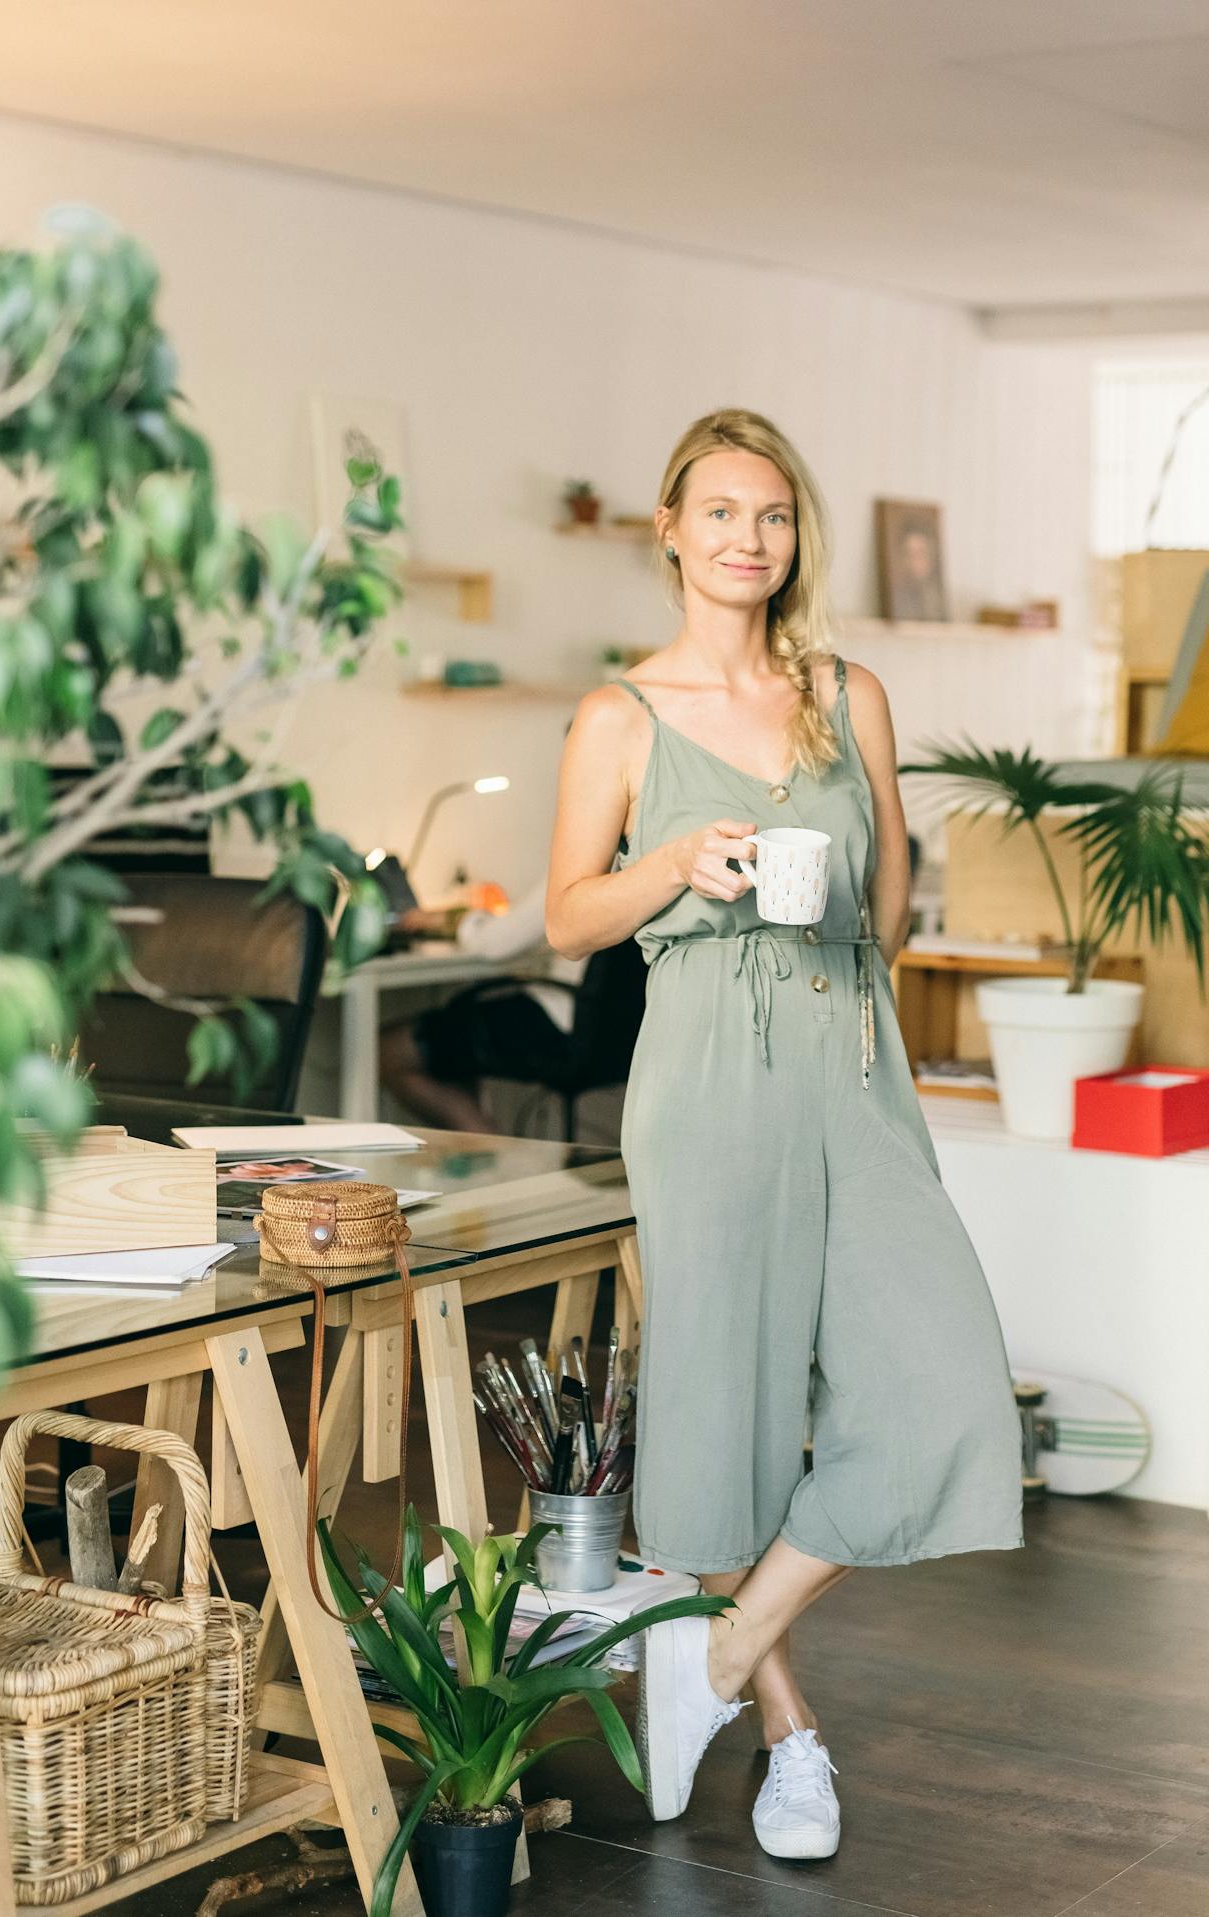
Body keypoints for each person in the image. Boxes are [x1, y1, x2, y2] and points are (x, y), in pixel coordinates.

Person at [545, 408, 1023, 1862]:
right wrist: (675, 865)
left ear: (791, 537)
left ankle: (711, 1650)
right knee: (721, 1414)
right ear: (672, 532)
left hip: (853, 1059)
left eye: (775, 515)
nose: (750, 538)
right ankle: (788, 1739)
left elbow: (886, 908)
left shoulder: (847, 691)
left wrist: (849, 904)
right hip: (705, 1080)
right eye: (723, 513)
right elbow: (566, 914)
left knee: (943, 1392)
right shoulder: (620, 715)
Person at [379, 881, 586, 1132]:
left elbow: (493, 943)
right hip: (610, 1035)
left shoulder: (583, 870)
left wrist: (445, 920)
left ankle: (493, 1158)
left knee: (386, 1050)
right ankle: (477, 1158)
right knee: (456, 1036)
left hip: (556, 1027)